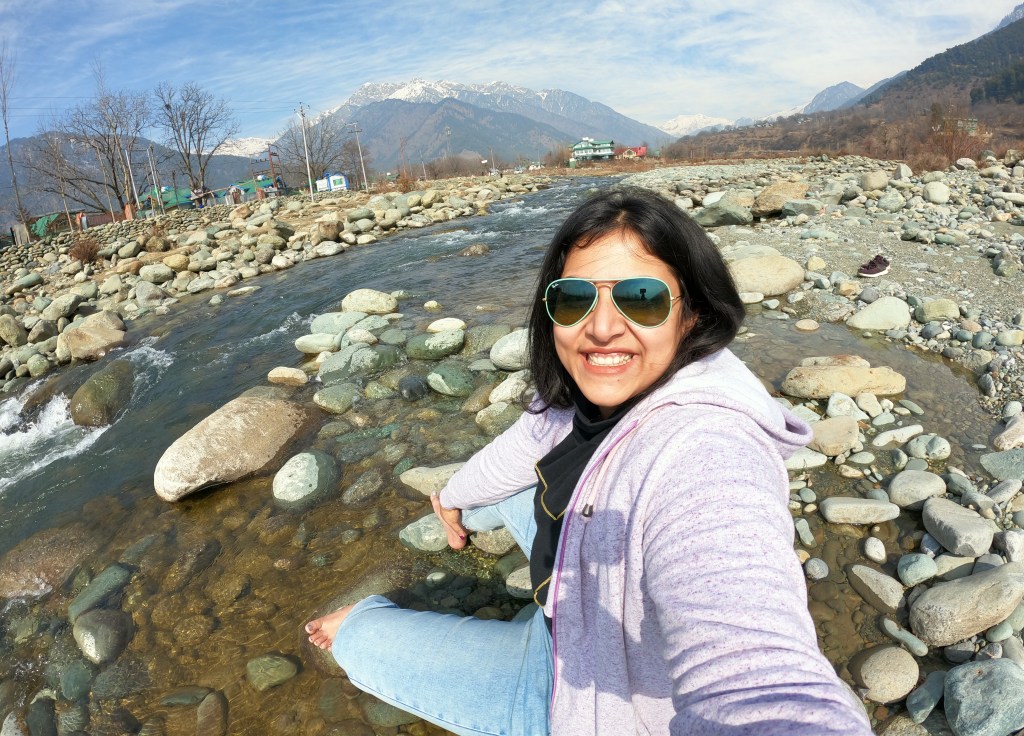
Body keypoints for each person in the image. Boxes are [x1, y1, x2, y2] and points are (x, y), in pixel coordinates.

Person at [305, 188, 872, 735]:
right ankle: (470, 525)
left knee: (359, 638)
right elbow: (528, 441)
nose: (601, 328)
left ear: (692, 313)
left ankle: (364, 623)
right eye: (576, 298)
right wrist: (452, 498)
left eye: (642, 299)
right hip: (574, 589)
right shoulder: (584, 395)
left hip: (586, 694)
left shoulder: (704, 449)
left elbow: (757, 681)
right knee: (494, 491)